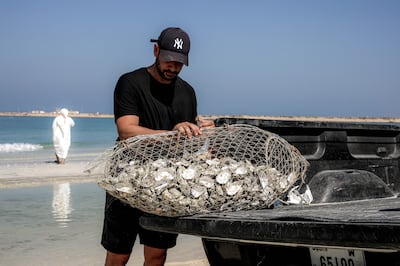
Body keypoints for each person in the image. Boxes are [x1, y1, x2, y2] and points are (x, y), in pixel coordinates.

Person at [101, 27, 215, 266]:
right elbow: (126, 130)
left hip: (166, 184)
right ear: (156, 51)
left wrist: (201, 131)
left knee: (157, 255)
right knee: (118, 254)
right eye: (168, 60)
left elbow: (188, 139)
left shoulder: (187, 92)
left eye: (179, 63)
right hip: (127, 180)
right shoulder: (130, 83)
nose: (172, 67)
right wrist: (172, 133)